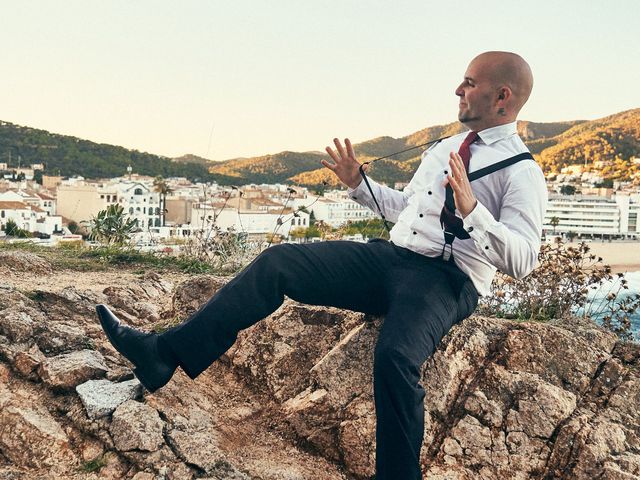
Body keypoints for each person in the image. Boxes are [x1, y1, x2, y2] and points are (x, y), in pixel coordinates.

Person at [96, 51, 547, 480]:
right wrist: (359, 184)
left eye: (469, 83)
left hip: (448, 280)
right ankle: (162, 356)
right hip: (391, 257)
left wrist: (473, 211)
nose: (457, 90)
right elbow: (408, 210)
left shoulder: (522, 171)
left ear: (502, 97)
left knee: (394, 357)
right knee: (278, 263)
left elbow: (523, 260)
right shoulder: (447, 145)